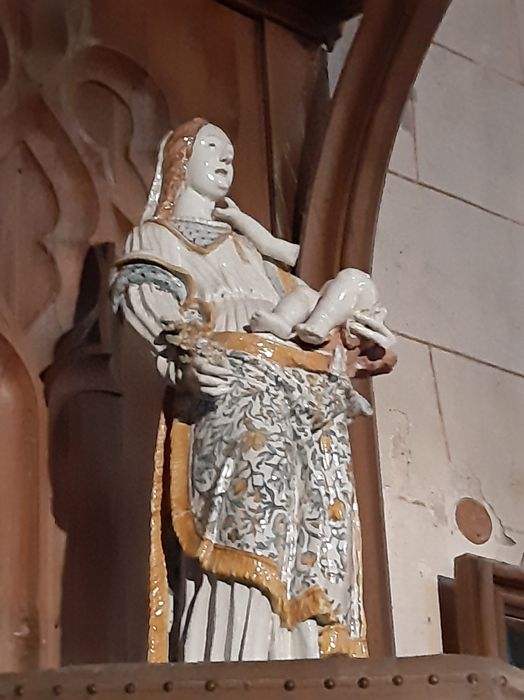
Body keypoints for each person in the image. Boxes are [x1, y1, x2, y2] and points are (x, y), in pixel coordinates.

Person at [111, 117, 396, 663]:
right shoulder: (157, 237)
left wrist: (366, 339)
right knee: (244, 529)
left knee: (309, 540)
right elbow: (147, 300)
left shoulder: (253, 253)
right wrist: (186, 356)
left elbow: (316, 306)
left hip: (302, 399)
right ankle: (231, 665)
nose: (226, 159)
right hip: (232, 389)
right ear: (181, 159)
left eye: (231, 151)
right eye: (212, 147)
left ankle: (301, 666)